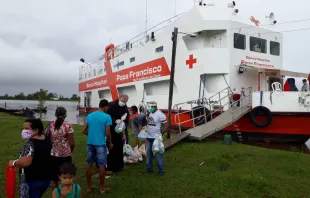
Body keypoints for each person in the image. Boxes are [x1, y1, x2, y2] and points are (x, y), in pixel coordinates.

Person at [8, 118, 52, 198]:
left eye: (26, 129)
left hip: (33, 180)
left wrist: (14, 163)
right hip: (46, 179)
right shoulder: (46, 139)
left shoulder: (31, 143)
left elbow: (27, 162)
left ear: (36, 130)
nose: (23, 131)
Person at [82, 99, 113, 193]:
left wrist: (91, 134)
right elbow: (107, 133)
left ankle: (89, 187)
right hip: (100, 144)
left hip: (90, 143)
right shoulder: (107, 117)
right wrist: (110, 143)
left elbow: (83, 130)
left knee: (89, 164)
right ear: (106, 107)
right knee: (102, 166)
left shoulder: (90, 115)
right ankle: (102, 188)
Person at [45, 107, 75, 190]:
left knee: (54, 179)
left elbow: (46, 138)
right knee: (66, 177)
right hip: (66, 155)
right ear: (65, 115)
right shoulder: (68, 126)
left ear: (55, 114)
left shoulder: (50, 125)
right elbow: (72, 143)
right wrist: (69, 151)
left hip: (53, 154)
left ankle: (55, 194)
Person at [106, 94, 129, 173]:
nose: (123, 103)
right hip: (110, 129)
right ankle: (109, 166)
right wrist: (115, 120)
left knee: (119, 148)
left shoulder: (125, 108)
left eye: (125, 102)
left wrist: (123, 128)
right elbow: (107, 116)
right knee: (110, 148)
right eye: (122, 101)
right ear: (119, 98)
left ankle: (119, 166)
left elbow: (127, 120)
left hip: (119, 130)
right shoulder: (111, 105)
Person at [146, 101, 169, 176]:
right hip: (149, 137)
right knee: (149, 154)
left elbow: (166, 124)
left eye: (151, 107)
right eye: (149, 107)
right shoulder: (150, 113)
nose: (149, 108)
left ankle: (161, 171)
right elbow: (150, 123)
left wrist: (161, 134)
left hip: (156, 138)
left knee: (158, 155)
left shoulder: (160, 114)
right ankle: (149, 169)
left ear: (155, 106)